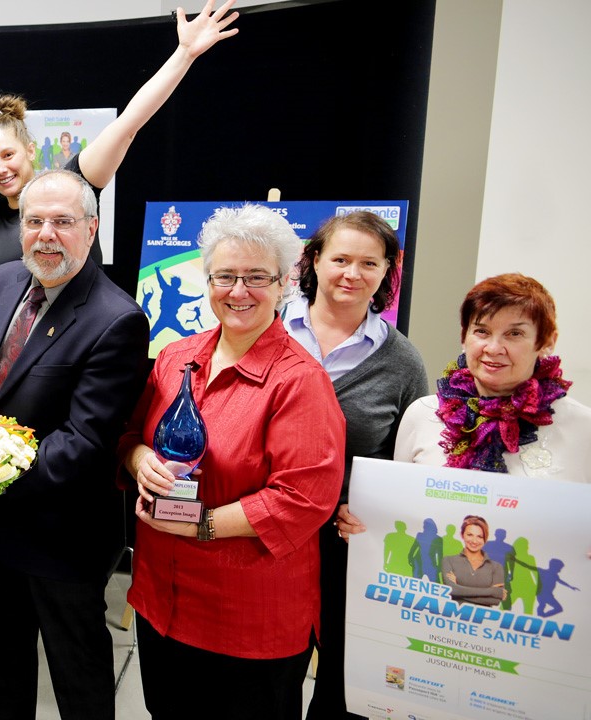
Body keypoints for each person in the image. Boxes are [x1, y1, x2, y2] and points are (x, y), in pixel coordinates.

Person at [118, 203, 345, 719]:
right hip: (163, 598)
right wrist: (140, 458)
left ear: (284, 282)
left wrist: (200, 527)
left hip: (247, 619)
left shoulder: (300, 381)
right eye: (225, 276)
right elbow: (130, 434)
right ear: (208, 279)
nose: (238, 291)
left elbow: (302, 499)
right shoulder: (178, 356)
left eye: (256, 277)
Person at [0, 169, 149, 719]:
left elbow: (83, 443)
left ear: (92, 227)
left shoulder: (117, 319)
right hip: (1, 529)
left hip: (65, 538)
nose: (46, 234)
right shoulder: (7, 278)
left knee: (78, 681)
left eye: (62, 221)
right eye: (35, 221)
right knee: (5, 677)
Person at [0, 0, 239, 272]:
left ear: (30, 150)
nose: (0, 168)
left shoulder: (73, 182)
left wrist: (183, 54)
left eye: (8, 155)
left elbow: (129, 123)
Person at [283, 211, 427, 720]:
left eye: (370, 262)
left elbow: (408, 459)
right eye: (340, 258)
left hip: (348, 542)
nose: (352, 273)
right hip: (263, 530)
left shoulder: (403, 362)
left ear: (388, 271)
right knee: (269, 671)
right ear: (314, 260)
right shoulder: (264, 329)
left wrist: (370, 506)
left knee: (344, 679)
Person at [389, 273, 591, 479]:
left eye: (514, 334)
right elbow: (397, 502)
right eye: (482, 331)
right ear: (464, 337)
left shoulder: (584, 429)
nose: (494, 349)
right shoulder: (422, 415)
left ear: (547, 342)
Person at [441, 515, 506, 607]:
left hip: (483, 619)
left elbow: (495, 601)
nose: (474, 541)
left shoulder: (496, 567)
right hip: (454, 617)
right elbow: (451, 590)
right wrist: (492, 591)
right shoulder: (448, 561)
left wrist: (458, 592)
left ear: (485, 539)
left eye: (479, 536)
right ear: (462, 535)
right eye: (470, 535)